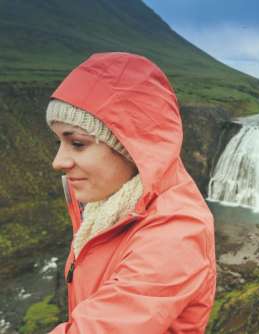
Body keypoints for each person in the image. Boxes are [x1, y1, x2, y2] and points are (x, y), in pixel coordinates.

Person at [46, 52, 216, 333]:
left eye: (77, 143)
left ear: (132, 146)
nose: (57, 162)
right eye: (59, 142)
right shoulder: (106, 205)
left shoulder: (176, 234)